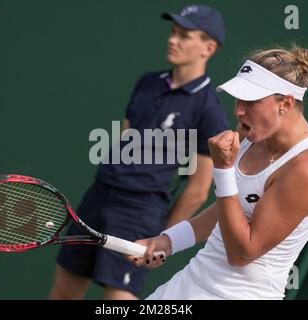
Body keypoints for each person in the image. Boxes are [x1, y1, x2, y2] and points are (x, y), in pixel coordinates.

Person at [49, 4, 229, 300]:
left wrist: (164, 239)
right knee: (62, 295)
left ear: (208, 47)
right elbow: (124, 140)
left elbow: (198, 190)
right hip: (99, 197)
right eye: (173, 32)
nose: (173, 40)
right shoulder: (147, 83)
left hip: (138, 214)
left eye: (185, 36)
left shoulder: (208, 109)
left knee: (118, 303)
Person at [128, 44, 308, 300]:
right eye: (238, 99)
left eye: (250, 101)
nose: (238, 110)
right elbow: (231, 209)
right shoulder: (251, 134)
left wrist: (223, 170)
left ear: (285, 103)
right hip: (191, 281)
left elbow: (242, 253)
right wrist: (169, 241)